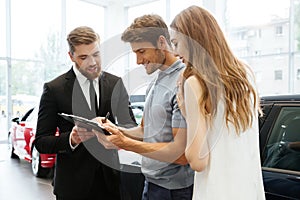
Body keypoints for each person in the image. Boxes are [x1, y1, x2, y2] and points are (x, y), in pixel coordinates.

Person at [169, 5, 265, 200]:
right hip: (249, 190)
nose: (175, 52)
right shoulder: (246, 74)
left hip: (215, 192)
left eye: (176, 43)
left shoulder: (196, 83)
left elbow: (198, 161)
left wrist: (187, 112)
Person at [95, 14, 194, 200]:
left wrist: (125, 144)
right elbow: (144, 131)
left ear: (162, 42)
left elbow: (181, 155)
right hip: (151, 183)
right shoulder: (155, 82)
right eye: (135, 54)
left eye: (141, 51)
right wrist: (116, 130)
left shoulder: (183, 82)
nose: (138, 61)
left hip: (174, 191)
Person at [34, 26, 136, 200]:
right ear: (71, 56)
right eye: (83, 57)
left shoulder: (115, 83)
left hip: (110, 183)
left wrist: (115, 131)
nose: (93, 63)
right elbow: (41, 142)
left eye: (96, 54)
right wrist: (71, 139)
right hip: (72, 186)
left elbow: (130, 125)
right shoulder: (54, 89)